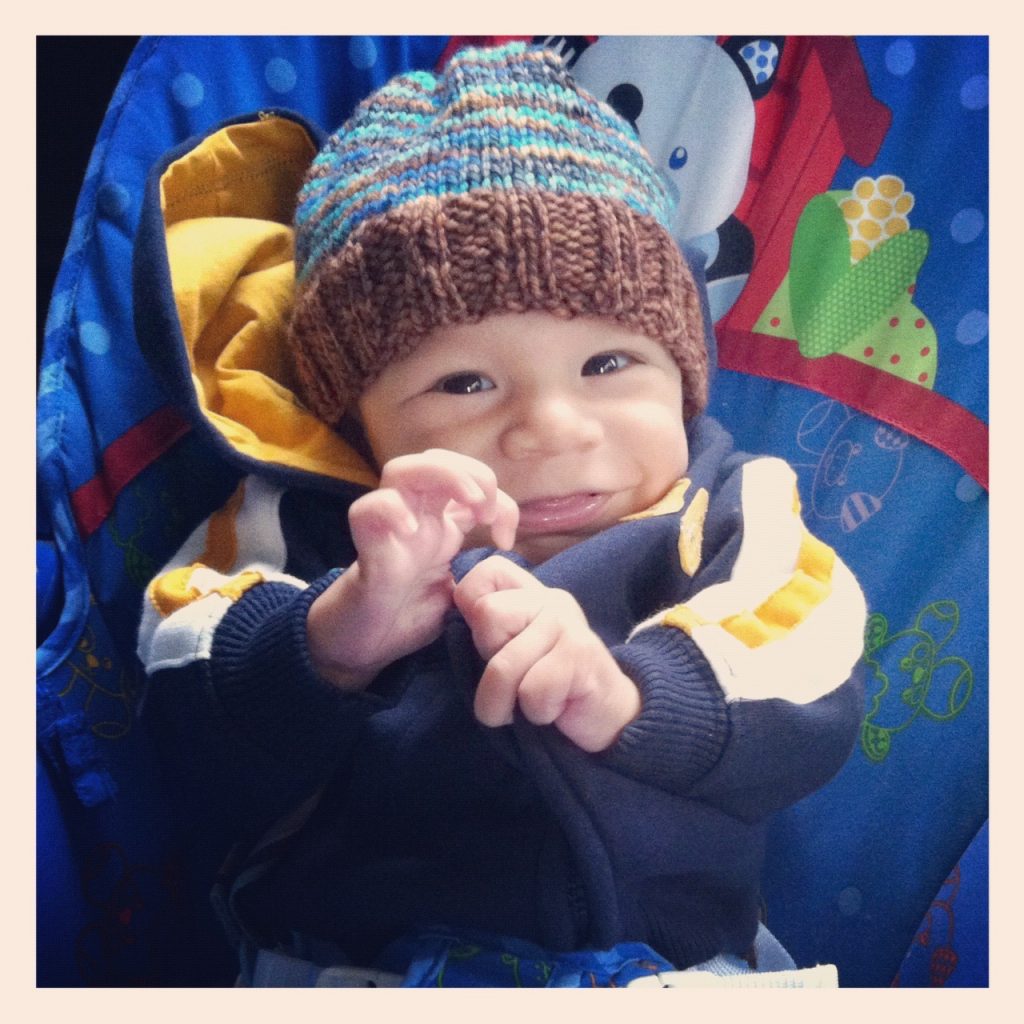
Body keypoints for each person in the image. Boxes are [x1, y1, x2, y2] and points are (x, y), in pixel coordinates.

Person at [135, 41, 866, 986]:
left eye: (609, 365)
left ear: (684, 372)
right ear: (354, 417)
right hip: (348, 962)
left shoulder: (729, 507)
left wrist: (630, 695)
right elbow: (176, 654)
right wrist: (331, 636)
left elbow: (809, 665)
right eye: (464, 382)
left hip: (675, 966)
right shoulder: (318, 514)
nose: (551, 431)